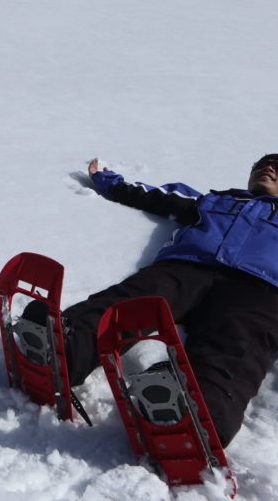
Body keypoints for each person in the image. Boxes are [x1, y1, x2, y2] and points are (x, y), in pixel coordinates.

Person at [25, 154, 278, 447]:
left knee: (238, 343)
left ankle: (198, 412)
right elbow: (153, 196)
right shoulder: (214, 200)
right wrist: (107, 180)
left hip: (260, 288)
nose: (268, 168)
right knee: (131, 302)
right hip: (188, 266)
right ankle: (63, 348)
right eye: (262, 165)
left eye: (277, 167)